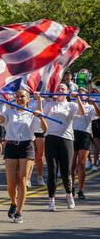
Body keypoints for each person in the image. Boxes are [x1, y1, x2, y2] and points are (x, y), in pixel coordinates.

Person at [0, 90, 48, 223]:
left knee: (22, 179)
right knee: (11, 183)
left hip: (26, 146)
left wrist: (41, 117)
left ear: (28, 99)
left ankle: (19, 212)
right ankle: (13, 203)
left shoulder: (32, 113)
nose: (19, 98)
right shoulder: (9, 112)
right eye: (17, 96)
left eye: (23, 96)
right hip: (11, 146)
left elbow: (44, 129)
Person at [37, 83, 86, 211]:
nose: (60, 90)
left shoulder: (71, 105)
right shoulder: (49, 105)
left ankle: (69, 194)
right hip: (51, 138)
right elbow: (40, 115)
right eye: (58, 88)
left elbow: (82, 113)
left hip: (66, 139)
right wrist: (38, 100)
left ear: (68, 92)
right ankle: (51, 199)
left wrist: (78, 98)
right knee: (52, 171)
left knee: (66, 171)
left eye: (63, 89)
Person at [71, 88, 100, 199]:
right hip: (73, 134)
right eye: (78, 94)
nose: (81, 96)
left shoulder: (90, 107)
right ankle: (72, 187)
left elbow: (99, 114)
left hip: (85, 135)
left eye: (83, 95)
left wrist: (94, 103)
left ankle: (81, 189)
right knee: (72, 165)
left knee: (81, 164)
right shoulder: (72, 105)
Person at [28, 96, 46, 186]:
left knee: (39, 156)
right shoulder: (28, 99)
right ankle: (28, 178)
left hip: (39, 130)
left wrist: (39, 99)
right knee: (30, 156)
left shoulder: (45, 101)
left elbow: (41, 114)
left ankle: (39, 176)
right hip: (29, 130)